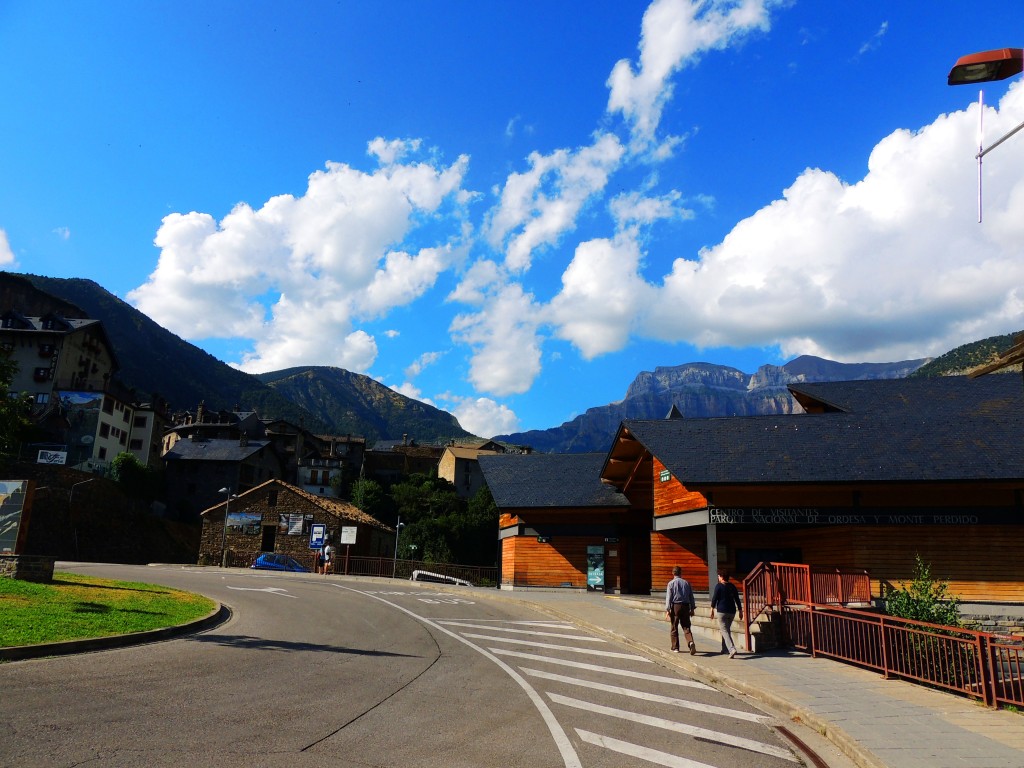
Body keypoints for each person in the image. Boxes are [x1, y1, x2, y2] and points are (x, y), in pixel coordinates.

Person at [709, 570, 743, 658]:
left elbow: (715, 598)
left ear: (722, 577)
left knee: (724, 631)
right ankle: (724, 649)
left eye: (719, 576)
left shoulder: (719, 586)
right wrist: (740, 610)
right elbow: (737, 599)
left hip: (722, 611)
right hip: (732, 611)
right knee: (726, 630)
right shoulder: (732, 586)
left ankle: (732, 649)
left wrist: (712, 609)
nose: (718, 578)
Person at [664, 565, 697, 654]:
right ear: (680, 573)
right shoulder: (686, 583)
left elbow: (669, 597)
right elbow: (691, 596)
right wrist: (692, 608)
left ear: (673, 573)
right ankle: (690, 642)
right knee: (686, 626)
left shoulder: (671, 583)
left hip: (675, 606)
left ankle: (675, 647)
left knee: (674, 626)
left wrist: (667, 609)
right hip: (686, 606)